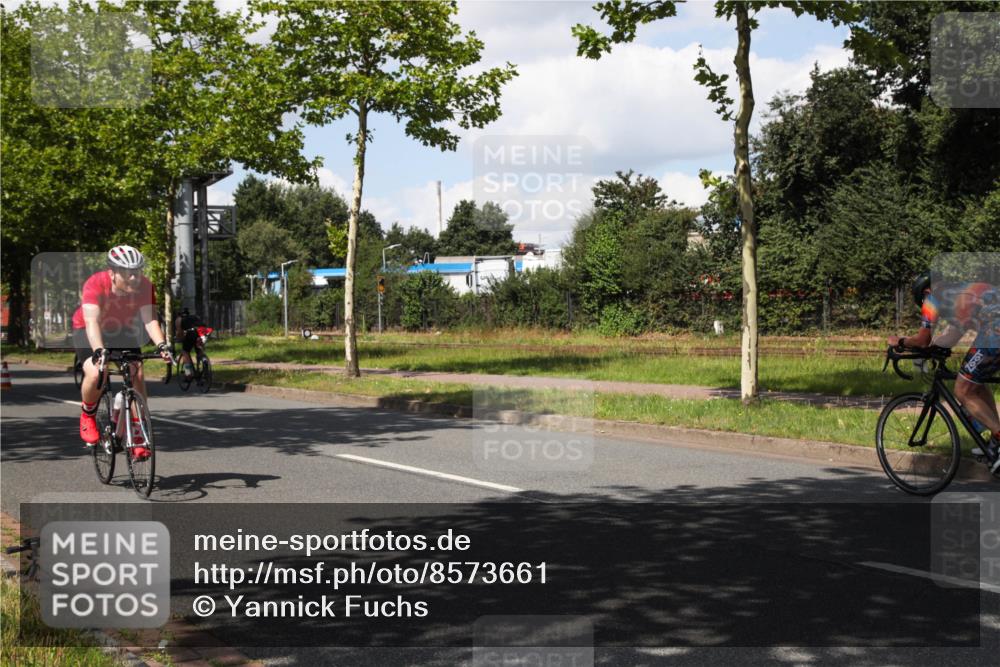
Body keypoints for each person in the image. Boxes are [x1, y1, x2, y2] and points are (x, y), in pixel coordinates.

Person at [889, 271, 1000, 473]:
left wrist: (901, 342)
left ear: (924, 292)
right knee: (975, 380)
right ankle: (995, 444)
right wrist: (934, 347)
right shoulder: (958, 292)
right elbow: (953, 336)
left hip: (995, 332)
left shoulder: (932, 297)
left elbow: (923, 339)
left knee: (962, 390)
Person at [72, 245, 171, 459]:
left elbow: (150, 319)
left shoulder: (145, 286)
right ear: (112, 273)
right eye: (128, 273)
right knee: (98, 372)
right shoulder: (95, 284)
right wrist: (99, 351)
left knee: (138, 373)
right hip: (88, 329)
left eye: (138, 271)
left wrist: (162, 345)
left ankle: (137, 432)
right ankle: (88, 413)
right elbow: (92, 322)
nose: (134, 277)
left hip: (121, 330)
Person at [174, 308, 205, 378]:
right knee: (199, 349)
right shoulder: (194, 317)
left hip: (192, 332)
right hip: (202, 331)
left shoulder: (179, 319)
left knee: (185, 351)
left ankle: (188, 373)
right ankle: (204, 363)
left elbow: (179, 332)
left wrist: (179, 338)